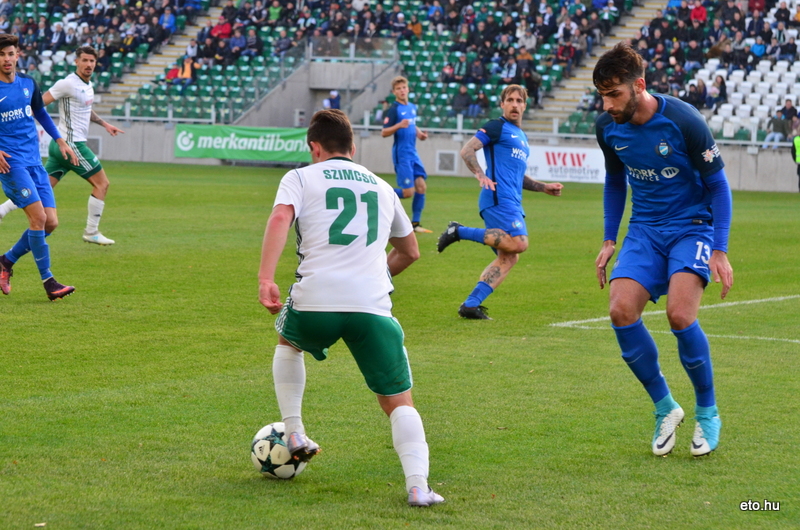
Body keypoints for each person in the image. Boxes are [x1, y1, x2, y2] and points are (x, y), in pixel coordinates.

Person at [258, 108, 444, 507]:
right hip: (373, 306)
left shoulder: (300, 176)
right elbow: (410, 251)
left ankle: (294, 431)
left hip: (316, 298)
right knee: (398, 401)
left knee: (288, 342)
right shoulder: (381, 185)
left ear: (314, 147)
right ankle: (418, 486)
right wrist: (378, 276)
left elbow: (279, 218)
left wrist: (265, 278)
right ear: (353, 148)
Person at [593, 43, 733, 458]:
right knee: (620, 310)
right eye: (602, 95)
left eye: (614, 93)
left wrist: (720, 249)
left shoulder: (684, 120)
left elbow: (719, 186)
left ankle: (707, 411)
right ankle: (665, 407)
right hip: (644, 230)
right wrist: (608, 239)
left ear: (639, 85)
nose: (608, 104)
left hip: (692, 227)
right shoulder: (608, 127)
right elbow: (615, 181)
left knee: (679, 314)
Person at [437, 85, 563, 320]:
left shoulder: (522, 138)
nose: (515, 104)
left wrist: (543, 187)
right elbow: (467, 150)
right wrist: (479, 173)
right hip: (498, 198)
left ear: (525, 105)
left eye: (519, 101)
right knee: (519, 244)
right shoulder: (497, 126)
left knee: (509, 257)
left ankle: (471, 305)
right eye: (510, 100)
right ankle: (459, 231)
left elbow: (517, 176)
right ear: (502, 104)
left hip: (512, 201)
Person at [0, 46, 123, 245]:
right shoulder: (67, 83)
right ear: (76, 61)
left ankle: (2, 210)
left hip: (63, 147)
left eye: (92, 61)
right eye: (84, 60)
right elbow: (39, 104)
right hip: (71, 144)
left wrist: (104, 123)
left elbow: (86, 109)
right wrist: (20, 122)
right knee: (102, 183)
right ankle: (91, 231)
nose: (89, 65)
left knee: (37, 189)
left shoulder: (87, 85)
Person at [0, 33, 77, 300]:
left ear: (18, 54)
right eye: (1, 55)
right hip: (11, 164)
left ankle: (6, 261)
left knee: (51, 223)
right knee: (38, 219)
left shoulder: (27, 83)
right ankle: (49, 283)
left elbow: (40, 111)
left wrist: (60, 139)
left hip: (34, 162)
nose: (7, 59)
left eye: (10, 53)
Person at [382, 76, 432, 234]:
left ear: (408, 89)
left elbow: (412, 124)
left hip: (413, 153)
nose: (402, 90)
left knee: (421, 186)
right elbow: (384, 132)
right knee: (407, 193)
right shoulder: (394, 109)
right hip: (402, 154)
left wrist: (419, 134)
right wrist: (398, 125)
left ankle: (415, 224)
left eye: (404, 87)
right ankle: (378, 190)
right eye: (398, 89)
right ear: (394, 92)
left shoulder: (411, 107)